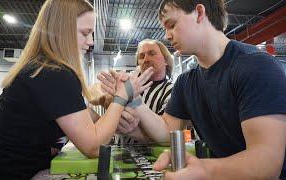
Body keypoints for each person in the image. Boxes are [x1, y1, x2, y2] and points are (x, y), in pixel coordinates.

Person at [99, 0, 286, 179]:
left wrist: (204, 169)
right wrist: (133, 98)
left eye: (171, 25)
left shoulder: (256, 67)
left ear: (199, 13)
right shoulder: (186, 82)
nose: (166, 35)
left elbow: (266, 163)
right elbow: (166, 131)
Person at [0, 0, 153, 179]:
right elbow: (93, 147)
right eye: (85, 33)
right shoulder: (53, 73)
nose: (90, 42)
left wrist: (113, 107)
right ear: (61, 31)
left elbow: (92, 123)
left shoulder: (43, 69)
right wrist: (121, 96)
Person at [97, 39, 175, 143]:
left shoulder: (173, 91)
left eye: (152, 53)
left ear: (166, 60)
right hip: (120, 152)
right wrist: (108, 98)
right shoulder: (127, 82)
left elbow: (165, 134)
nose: (146, 59)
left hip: (153, 157)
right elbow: (94, 94)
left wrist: (131, 130)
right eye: (141, 56)